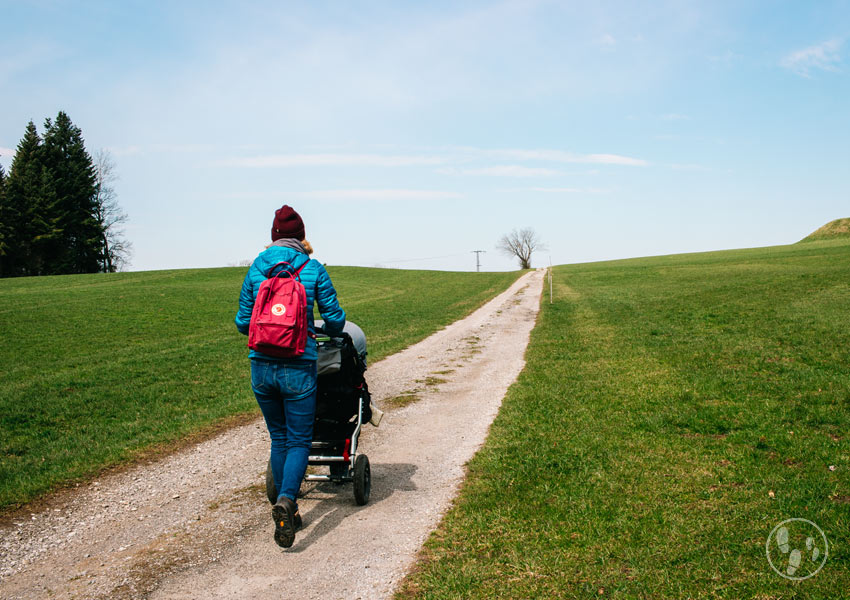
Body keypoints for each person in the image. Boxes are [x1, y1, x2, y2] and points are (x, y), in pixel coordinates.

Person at [235, 205, 345, 548]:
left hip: (261, 366)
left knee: (279, 437)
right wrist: (322, 328)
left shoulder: (256, 269)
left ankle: (285, 504)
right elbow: (336, 319)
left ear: (273, 236)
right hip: (299, 364)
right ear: (301, 236)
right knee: (299, 439)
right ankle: (287, 501)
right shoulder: (311, 269)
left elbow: (242, 322)